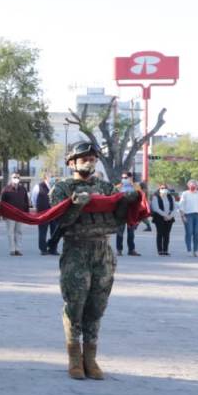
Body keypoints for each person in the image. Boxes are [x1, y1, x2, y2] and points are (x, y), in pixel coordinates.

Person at [50, 141, 133, 380]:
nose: (89, 162)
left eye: (92, 159)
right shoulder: (62, 188)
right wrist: (77, 206)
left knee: (97, 306)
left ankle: (91, 357)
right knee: (75, 304)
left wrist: (126, 203)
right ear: (72, 163)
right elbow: (61, 221)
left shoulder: (106, 187)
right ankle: (74, 357)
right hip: (76, 249)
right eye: (84, 159)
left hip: (102, 251)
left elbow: (117, 221)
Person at [0, 172, 29, 256]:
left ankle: (18, 249)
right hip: (10, 215)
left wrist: (26, 214)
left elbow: (26, 201)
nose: (16, 179)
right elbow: (2, 203)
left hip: (20, 214)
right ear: (11, 178)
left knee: (19, 232)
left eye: (18, 177)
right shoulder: (6, 189)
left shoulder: (23, 189)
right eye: (14, 177)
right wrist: (3, 214)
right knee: (10, 232)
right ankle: (12, 249)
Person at [29, 173, 58, 255]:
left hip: (54, 213)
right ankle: (43, 249)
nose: (52, 179)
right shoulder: (38, 186)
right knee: (42, 231)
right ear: (46, 178)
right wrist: (38, 208)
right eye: (51, 177)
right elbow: (34, 198)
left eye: (53, 177)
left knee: (54, 232)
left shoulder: (56, 187)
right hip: (43, 213)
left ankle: (53, 249)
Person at [115, 171, 142, 256]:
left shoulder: (136, 187)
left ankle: (131, 250)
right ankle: (119, 250)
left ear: (131, 178)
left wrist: (139, 216)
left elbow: (141, 200)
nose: (123, 179)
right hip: (121, 212)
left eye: (125, 177)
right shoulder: (118, 187)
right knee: (120, 232)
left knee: (131, 233)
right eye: (122, 178)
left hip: (132, 213)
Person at [178, 179, 198, 257]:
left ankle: (196, 250)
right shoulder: (185, 193)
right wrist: (182, 216)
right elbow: (181, 205)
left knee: (196, 232)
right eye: (191, 185)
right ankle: (189, 249)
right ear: (188, 186)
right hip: (188, 215)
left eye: (195, 185)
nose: (193, 186)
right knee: (189, 232)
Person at [150, 183, 176, 256]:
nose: (163, 189)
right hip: (159, 218)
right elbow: (156, 208)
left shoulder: (171, 197)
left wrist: (170, 216)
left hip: (169, 218)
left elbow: (175, 208)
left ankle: (165, 250)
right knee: (160, 234)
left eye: (165, 188)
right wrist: (165, 215)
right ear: (159, 189)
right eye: (162, 188)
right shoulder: (156, 197)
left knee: (167, 234)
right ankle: (160, 250)